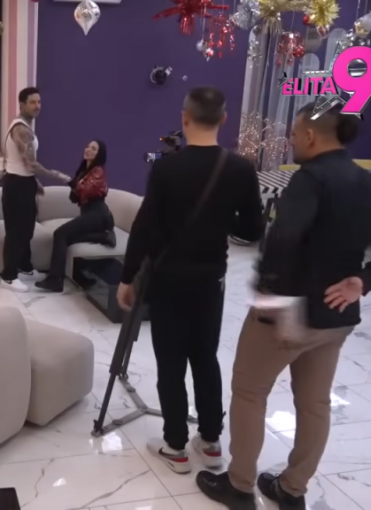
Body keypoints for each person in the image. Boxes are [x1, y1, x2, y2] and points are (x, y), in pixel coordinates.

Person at [197, 104, 371, 509]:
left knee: (250, 393)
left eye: (294, 133)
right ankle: (292, 490)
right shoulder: (367, 183)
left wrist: (267, 295)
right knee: (315, 404)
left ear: (311, 135)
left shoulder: (309, 179)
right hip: (336, 316)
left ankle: (239, 485)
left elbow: (282, 239)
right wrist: (363, 282)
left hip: (290, 311)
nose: (291, 140)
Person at [117, 86, 264, 474]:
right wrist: (220, 220)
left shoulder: (167, 168)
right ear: (224, 119)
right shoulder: (240, 169)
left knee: (171, 361)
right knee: (205, 357)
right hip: (211, 280)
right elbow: (253, 229)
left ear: (185, 118)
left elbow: (145, 227)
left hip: (168, 279)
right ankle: (211, 442)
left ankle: (176, 446)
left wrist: (127, 277)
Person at [1, 87, 71, 292]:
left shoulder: (24, 127)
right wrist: (58, 176)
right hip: (17, 185)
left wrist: (35, 183)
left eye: (39, 102)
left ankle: (24, 267)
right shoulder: (21, 130)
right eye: (32, 102)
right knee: (17, 232)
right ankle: (8, 276)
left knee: (27, 229)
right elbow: (31, 164)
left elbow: (23, 164)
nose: (37, 106)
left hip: (23, 182)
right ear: (22, 105)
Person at [36, 140, 116, 292]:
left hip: (98, 214)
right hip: (89, 213)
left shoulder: (98, 171)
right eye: (88, 146)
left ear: (99, 154)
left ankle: (55, 280)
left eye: (93, 149)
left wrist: (70, 182)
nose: (88, 149)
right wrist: (73, 185)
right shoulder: (85, 171)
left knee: (60, 234)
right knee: (67, 238)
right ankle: (100, 241)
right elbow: (77, 195)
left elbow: (86, 190)